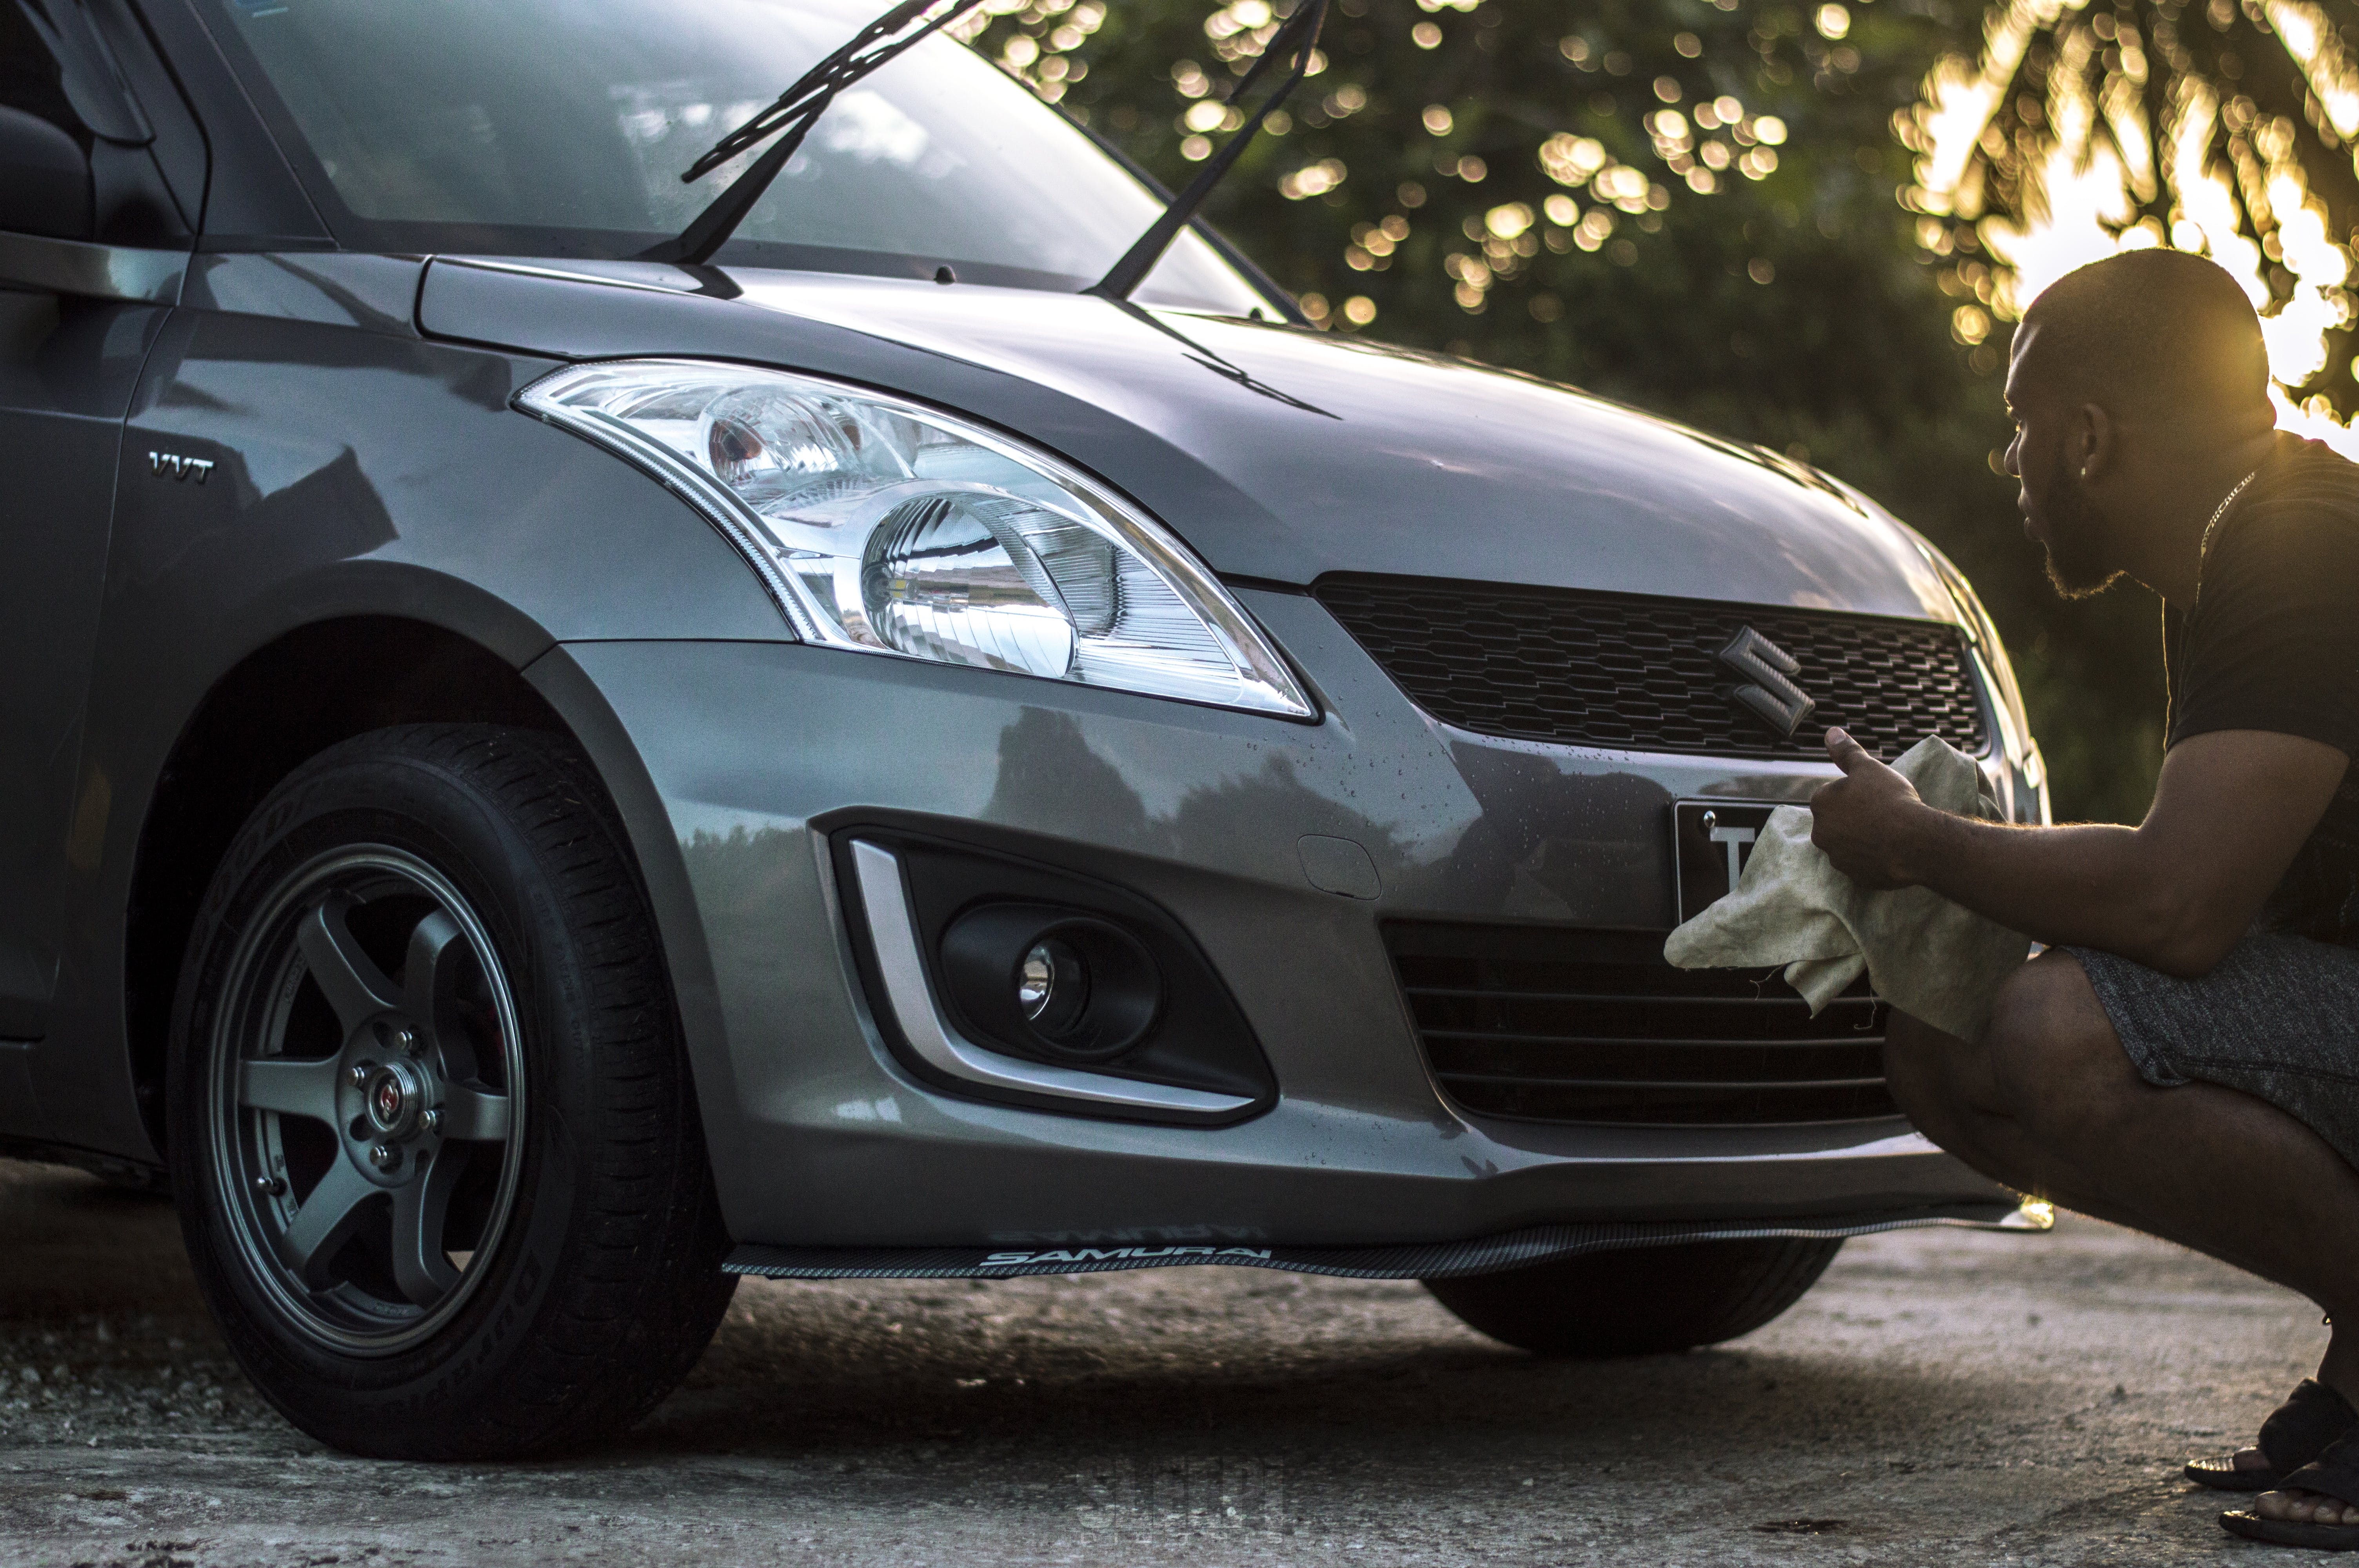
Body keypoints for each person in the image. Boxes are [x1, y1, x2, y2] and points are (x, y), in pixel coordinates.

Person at [1806, 246, 2359, 1551]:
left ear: (2092, 438)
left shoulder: (2295, 548)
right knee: (1947, 1044)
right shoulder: (2252, 543)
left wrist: (1919, 841)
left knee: (2056, 1030)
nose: (2014, 467)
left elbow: (2182, 905)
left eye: (2023, 431)